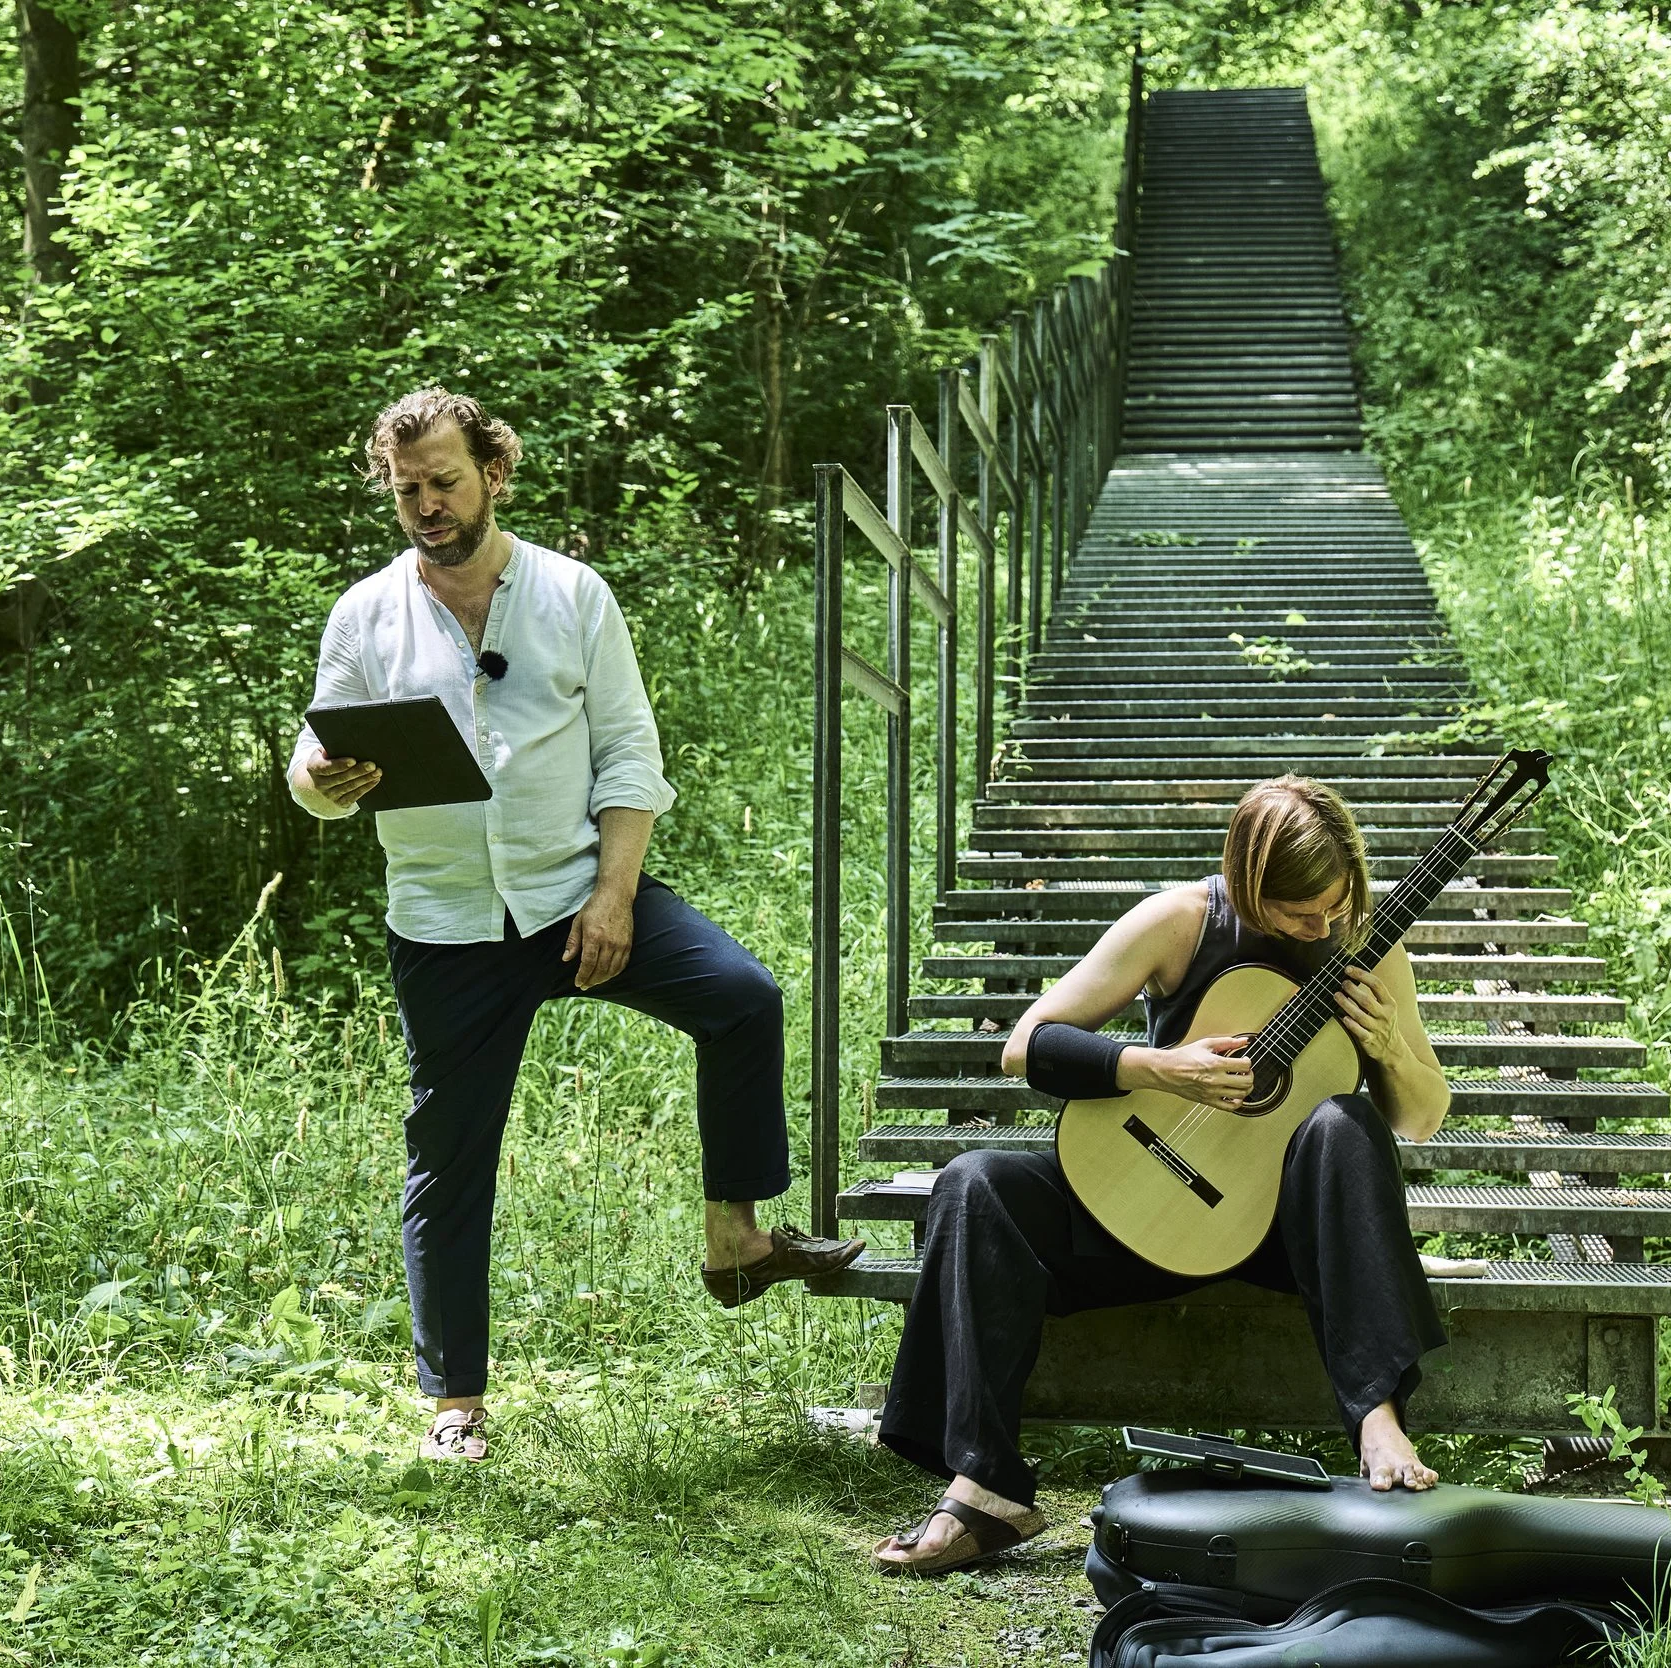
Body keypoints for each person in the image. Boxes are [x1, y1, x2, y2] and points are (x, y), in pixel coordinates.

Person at [286, 387, 864, 1463]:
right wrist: (327, 778)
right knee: (448, 1160)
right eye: (406, 489)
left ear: (493, 471)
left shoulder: (572, 593)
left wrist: (612, 897)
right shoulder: (365, 614)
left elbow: (631, 758)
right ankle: (454, 1400)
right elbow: (310, 772)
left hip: (574, 893)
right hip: (446, 923)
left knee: (741, 997)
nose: (425, 505)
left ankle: (735, 1240)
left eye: (444, 481)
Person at [871, 776, 1452, 1575]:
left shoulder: (1367, 944)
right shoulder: (1181, 922)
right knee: (972, 1183)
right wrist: (1158, 1067)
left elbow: (1420, 1117)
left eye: (1334, 905)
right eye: (1297, 913)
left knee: (1342, 1124)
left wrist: (1388, 1049)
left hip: (1281, 1233)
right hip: (1145, 1213)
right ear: (1248, 888)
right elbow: (1026, 1046)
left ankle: (1379, 1423)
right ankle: (986, 1491)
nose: (1320, 926)